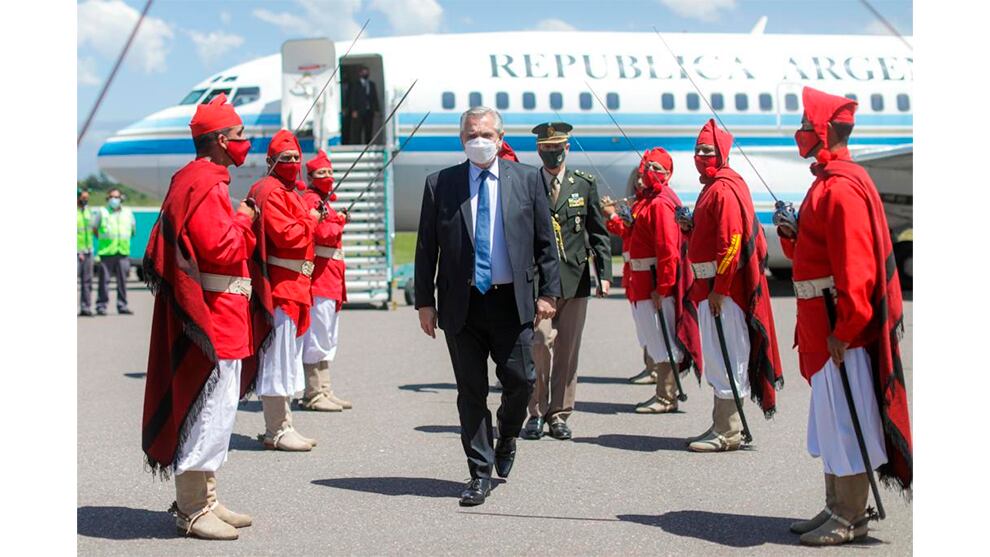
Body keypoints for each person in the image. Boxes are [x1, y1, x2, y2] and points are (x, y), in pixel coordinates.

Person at [776, 87, 912, 546]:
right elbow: (821, 255)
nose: (799, 128)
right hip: (824, 321)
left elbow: (857, 269)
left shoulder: (840, 187)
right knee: (832, 420)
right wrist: (795, 235)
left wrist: (845, 330)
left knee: (846, 423)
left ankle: (851, 515)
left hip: (839, 326)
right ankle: (837, 504)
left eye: (805, 120)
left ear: (825, 130)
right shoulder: (826, 183)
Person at [414, 106, 561, 506]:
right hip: (462, 305)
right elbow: (427, 248)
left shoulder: (528, 179)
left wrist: (549, 293)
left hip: (511, 302)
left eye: (485, 134)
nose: (478, 140)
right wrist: (424, 302)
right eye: (470, 134)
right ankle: (479, 473)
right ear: (462, 139)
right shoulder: (440, 184)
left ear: (500, 137)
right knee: (470, 391)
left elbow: (546, 244)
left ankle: (508, 432)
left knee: (522, 382)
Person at [141, 93, 257, 540]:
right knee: (208, 410)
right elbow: (222, 249)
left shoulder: (200, 179)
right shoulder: (208, 182)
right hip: (215, 316)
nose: (245, 142)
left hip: (223, 312)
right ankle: (192, 508)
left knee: (218, 410)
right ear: (222, 140)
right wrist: (246, 218)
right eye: (240, 135)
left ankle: (206, 496)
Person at [677, 119, 783, 452]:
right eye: (697, 150)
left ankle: (728, 430)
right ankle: (722, 423)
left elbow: (731, 243)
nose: (700, 155)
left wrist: (720, 289)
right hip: (711, 287)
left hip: (724, 292)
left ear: (721, 153)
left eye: (706, 150)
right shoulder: (712, 186)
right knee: (718, 354)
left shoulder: (723, 188)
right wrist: (689, 228)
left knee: (727, 356)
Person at [521, 122, 611, 441]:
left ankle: (559, 413)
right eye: (546, 147)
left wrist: (605, 273)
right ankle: (535, 411)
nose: (552, 152)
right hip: (538, 284)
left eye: (557, 146)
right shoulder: (528, 182)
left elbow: (598, 232)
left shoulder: (583, 184)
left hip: (575, 279)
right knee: (539, 346)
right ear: (538, 150)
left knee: (568, 349)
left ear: (567, 147)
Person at [608, 148, 701, 415]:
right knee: (653, 337)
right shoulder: (646, 201)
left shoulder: (660, 204)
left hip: (652, 283)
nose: (648, 174)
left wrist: (663, 288)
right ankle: (664, 392)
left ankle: (666, 396)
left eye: (656, 170)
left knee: (662, 340)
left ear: (668, 174)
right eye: (646, 169)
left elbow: (667, 250)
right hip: (641, 281)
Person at [246, 129, 320, 452]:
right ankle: (276, 428)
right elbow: (288, 235)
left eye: (294, 158)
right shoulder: (272, 191)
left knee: (287, 357)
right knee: (278, 359)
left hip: (296, 288)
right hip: (281, 288)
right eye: (284, 158)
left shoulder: (288, 191)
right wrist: (313, 221)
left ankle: (284, 422)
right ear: (271, 161)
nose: (291, 163)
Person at [299, 149, 352, 412]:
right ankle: (312, 392)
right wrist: (339, 223)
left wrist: (338, 219)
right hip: (320, 278)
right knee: (317, 337)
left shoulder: (325, 201)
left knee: (328, 336)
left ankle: (325, 389)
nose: (328, 177)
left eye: (330, 172)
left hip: (331, 278)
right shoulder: (311, 200)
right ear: (310, 177)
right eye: (322, 173)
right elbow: (320, 232)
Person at [93, 187, 136, 315]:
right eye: (112, 197)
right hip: (106, 252)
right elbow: (95, 229)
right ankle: (101, 306)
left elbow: (132, 231)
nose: (114, 199)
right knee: (103, 282)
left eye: (117, 197)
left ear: (121, 198)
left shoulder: (128, 213)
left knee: (122, 282)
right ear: (108, 198)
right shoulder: (102, 212)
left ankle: (122, 305)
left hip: (122, 252)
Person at [345, 66, 379, 144]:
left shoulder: (371, 84)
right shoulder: (355, 85)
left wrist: (376, 109)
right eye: (364, 72)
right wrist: (354, 110)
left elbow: (375, 97)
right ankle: (357, 144)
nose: (366, 74)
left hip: (369, 111)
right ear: (360, 73)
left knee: (369, 129)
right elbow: (353, 98)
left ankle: (368, 144)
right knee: (358, 130)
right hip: (359, 111)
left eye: (367, 72)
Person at [77, 188, 96, 316]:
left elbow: (93, 230)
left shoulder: (89, 211)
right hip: (76, 252)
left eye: (87, 198)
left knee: (87, 281)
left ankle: (86, 307)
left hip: (88, 251)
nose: (85, 200)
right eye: (83, 198)